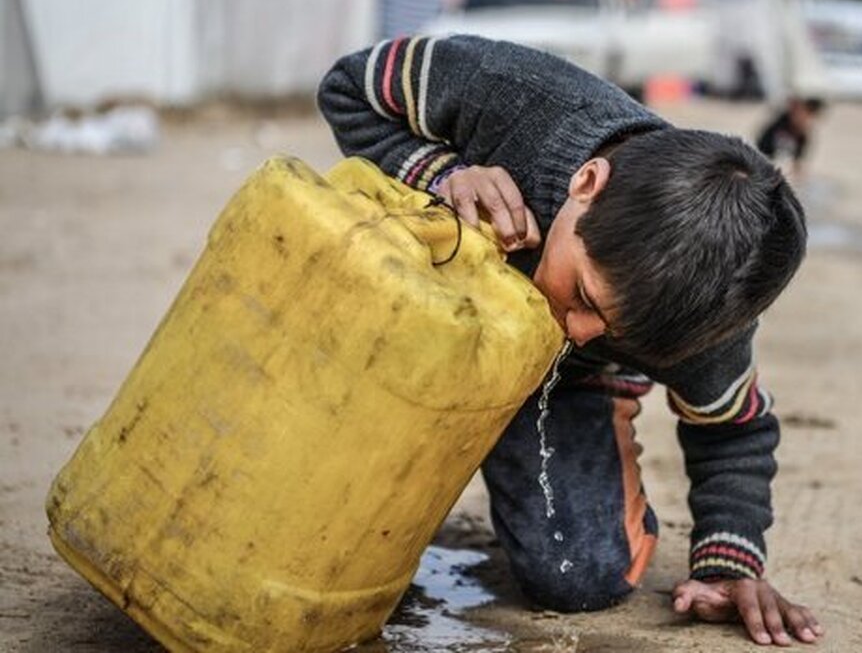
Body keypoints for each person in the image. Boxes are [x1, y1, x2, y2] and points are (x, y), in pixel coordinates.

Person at [318, 34, 821, 647]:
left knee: (577, 576)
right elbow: (349, 86)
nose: (578, 327)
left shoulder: (707, 330)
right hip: (411, 307)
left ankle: (573, 412)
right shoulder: (515, 94)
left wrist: (729, 564)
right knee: (309, 509)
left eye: (613, 331)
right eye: (583, 295)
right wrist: (442, 176)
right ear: (586, 183)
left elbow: (732, 429)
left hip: (558, 380)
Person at [755, 96, 825, 181]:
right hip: (768, 151)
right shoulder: (780, 126)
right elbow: (764, 145)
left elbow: (799, 152)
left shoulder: (801, 133)